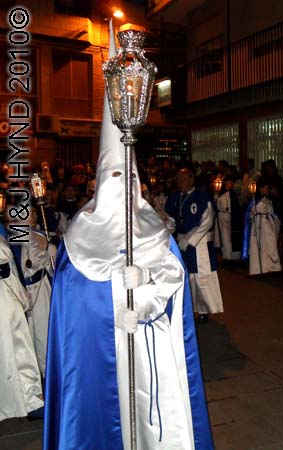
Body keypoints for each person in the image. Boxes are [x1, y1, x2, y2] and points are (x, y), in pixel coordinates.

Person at [43, 24, 214, 450]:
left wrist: (146, 296)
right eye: (112, 175)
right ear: (101, 179)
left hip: (150, 354)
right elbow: (72, 299)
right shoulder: (80, 232)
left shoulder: (153, 227)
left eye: (126, 175)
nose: (120, 182)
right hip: (102, 358)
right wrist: (119, 294)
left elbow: (174, 279)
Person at [165, 168, 224, 322]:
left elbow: (207, 221)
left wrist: (190, 240)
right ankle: (186, 310)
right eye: (178, 179)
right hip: (180, 243)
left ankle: (203, 311)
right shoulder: (174, 197)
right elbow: (171, 219)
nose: (180, 182)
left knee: (200, 278)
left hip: (200, 243)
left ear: (191, 180)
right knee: (185, 276)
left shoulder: (202, 196)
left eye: (183, 179)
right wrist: (169, 232)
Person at [0, 222, 44, 421]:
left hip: (9, 293)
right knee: (15, 350)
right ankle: (26, 401)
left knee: (16, 350)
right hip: (5, 298)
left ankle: (29, 399)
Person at [11, 207, 56, 374]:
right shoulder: (13, 238)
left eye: (34, 213)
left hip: (41, 290)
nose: (34, 215)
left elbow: (53, 269)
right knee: (26, 335)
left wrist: (53, 256)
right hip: (23, 291)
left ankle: (47, 371)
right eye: (30, 213)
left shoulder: (41, 237)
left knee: (43, 331)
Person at [243, 178, 281, 275]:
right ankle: (259, 268)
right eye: (266, 188)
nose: (268, 190)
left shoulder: (269, 200)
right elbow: (251, 212)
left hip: (268, 226)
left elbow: (273, 212)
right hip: (260, 225)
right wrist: (255, 209)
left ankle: (271, 267)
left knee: (270, 245)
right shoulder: (255, 200)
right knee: (260, 247)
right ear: (261, 189)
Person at [214, 175, 243, 261]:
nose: (231, 183)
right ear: (225, 182)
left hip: (232, 216)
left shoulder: (233, 193)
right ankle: (227, 256)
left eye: (232, 182)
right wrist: (216, 194)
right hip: (223, 215)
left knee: (231, 236)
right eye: (229, 182)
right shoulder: (221, 192)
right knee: (225, 236)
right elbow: (216, 204)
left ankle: (233, 256)